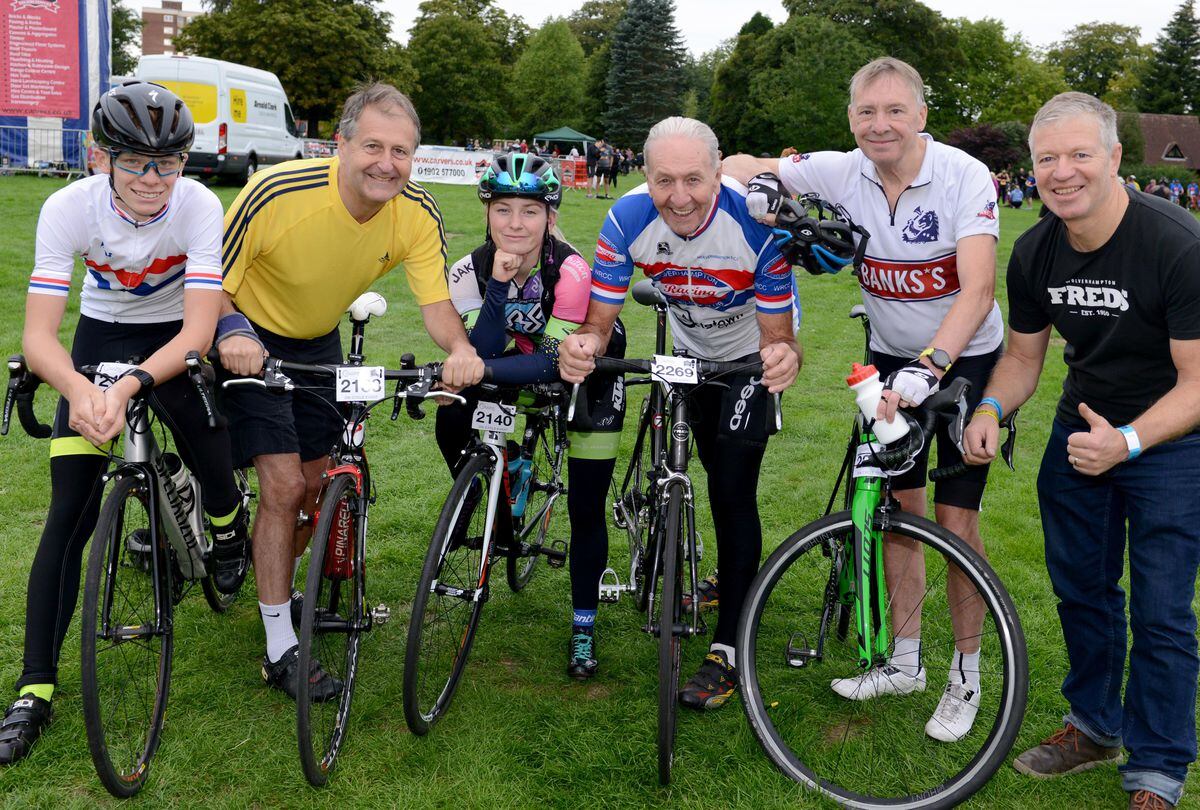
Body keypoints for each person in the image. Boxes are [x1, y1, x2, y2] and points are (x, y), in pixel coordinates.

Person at [724, 56, 1004, 742]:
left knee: (955, 524)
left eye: (894, 110)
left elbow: (976, 289)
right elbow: (734, 162)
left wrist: (933, 365)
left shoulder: (963, 177)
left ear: (921, 115)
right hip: (888, 359)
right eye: (866, 112)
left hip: (964, 359)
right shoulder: (839, 168)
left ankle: (964, 675)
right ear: (851, 119)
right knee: (897, 512)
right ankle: (903, 660)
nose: (880, 125)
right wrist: (760, 181)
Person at [0, 81, 250, 764]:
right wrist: (81, 391)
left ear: (185, 163)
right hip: (100, 338)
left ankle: (228, 532)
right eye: (134, 160)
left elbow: (199, 329)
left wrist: (137, 383)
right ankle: (34, 690)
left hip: (174, 337)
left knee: (210, 448)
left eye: (167, 162)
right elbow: (41, 336)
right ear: (98, 156)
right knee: (67, 516)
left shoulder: (199, 205)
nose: (151, 178)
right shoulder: (66, 208)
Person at [963, 91, 1200, 810]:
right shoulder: (1036, 249)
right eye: (1046, 159)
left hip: (1169, 440)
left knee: (1162, 611)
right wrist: (991, 408)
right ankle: (1095, 725)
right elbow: (1024, 360)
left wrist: (1126, 442)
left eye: (1079, 155)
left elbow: (1198, 382)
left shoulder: (1176, 242)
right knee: (1082, 591)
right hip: (1081, 432)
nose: (1061, 172)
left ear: (1115, 159)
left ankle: (1157, 768)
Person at [217, 82, 484, 701]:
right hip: (247, 334)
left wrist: (462, 350)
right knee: (282, 486)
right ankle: (281, 644)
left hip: (317, 342)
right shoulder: (275, 192)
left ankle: (272, 587)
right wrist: (232, 332)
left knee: (313, 485)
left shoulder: (416, 211)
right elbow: (211, 282)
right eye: (372, 145)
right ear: (339, 143)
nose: (386, 163)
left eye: (401, 151)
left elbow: (436, 302)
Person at [560, 116, 801, 710]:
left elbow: (779, 336)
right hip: (687, 351)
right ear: (645, 176)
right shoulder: (627, 217)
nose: (680, 196)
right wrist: (585, 343)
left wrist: (783, 358)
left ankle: (728, 651)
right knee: (683, 469)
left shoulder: (754, 222)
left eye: (694, 179)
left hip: (747, 351)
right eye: (664, 180)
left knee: (731, 487)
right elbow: (600, 318)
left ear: (719, 173)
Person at [437, 153, 627, 679]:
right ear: (487, 213)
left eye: (529, 211)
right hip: (506, 368)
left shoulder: (569, 270)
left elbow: (551, 359)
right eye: (503, 210)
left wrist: (476, 369)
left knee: (586, 505)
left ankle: (584, 626)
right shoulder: (468, 269)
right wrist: (497, 285)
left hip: (586, 377)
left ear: (550, 217)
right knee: (450, 416)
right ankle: (488, 488)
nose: (515, 224)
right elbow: (482, 345)